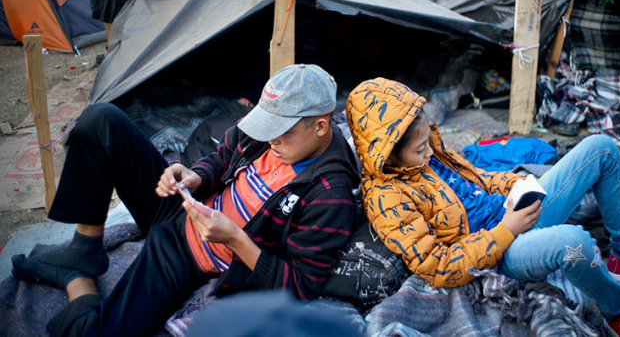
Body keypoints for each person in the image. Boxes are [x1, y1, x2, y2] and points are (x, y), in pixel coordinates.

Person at [11, 64, 360, 337]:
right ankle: (85, 247)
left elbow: (300, 285)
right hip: (178, 205)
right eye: (266, 125)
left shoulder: (330, 195)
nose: (270, 140)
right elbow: (222, 156)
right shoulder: (268, 134)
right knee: (101, 120)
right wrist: (195, 175)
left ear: (321, 126)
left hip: (188, 254)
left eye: (281, 130)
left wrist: (235, 239)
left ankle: (75, 279)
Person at [345, 77, 620, 337]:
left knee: (600, 147)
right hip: (497, 256)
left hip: (510, 215)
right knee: (577, 243)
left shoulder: (426, 150)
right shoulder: (386, 198)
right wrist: (506, 229)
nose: (430, 153)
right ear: (388, 155)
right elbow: (436, 264)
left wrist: (516, 185)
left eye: (427, 143)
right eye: (420, 150)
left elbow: (478, 177)